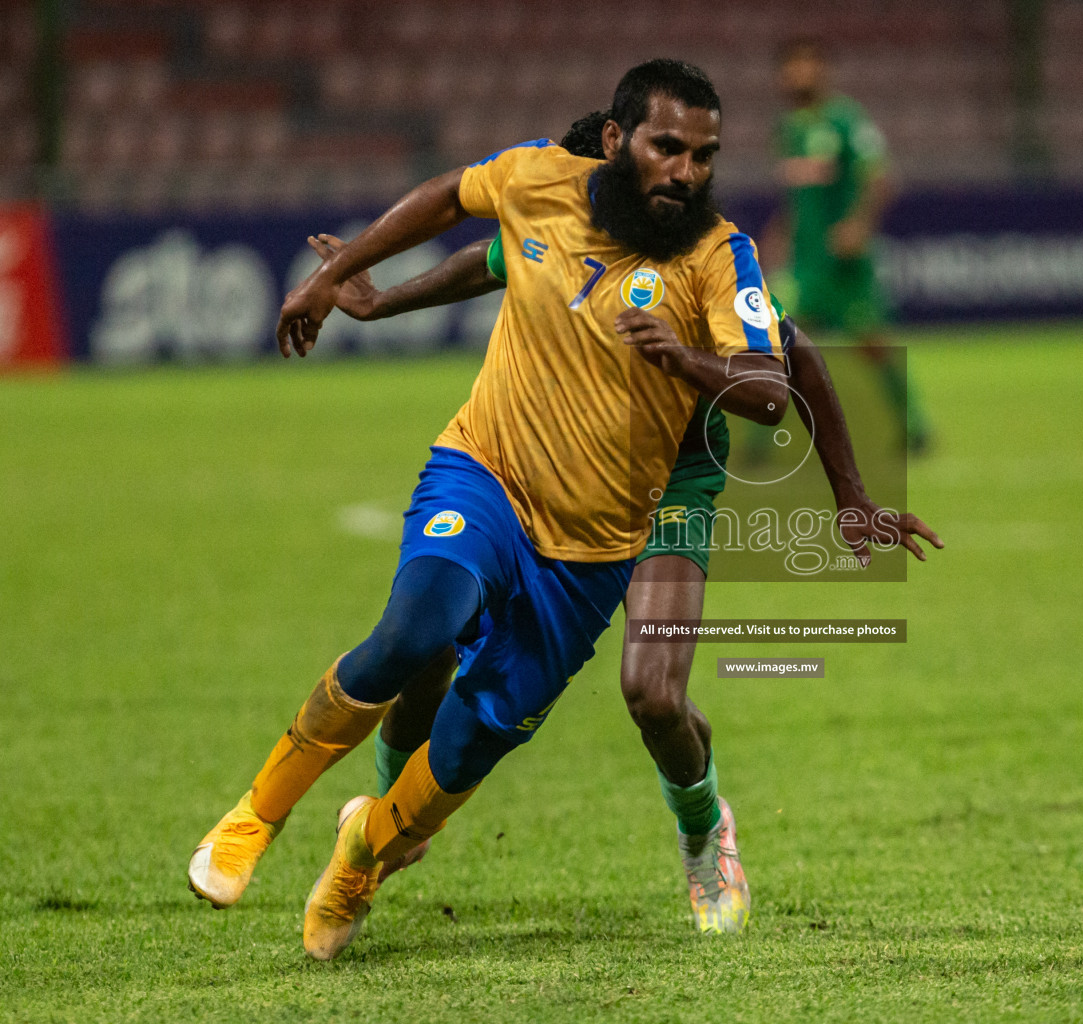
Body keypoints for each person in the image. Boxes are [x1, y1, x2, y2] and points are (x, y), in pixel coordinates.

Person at [189, 59, 792, 961]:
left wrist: (685, 361)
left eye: (705, 156)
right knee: (415, 632)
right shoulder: (544, 181)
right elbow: (450, 209)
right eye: (669, 149)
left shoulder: (718, 256)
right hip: (488, 475)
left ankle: (363, 854)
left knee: (490, 736)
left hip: (604, 539)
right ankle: (255, 813)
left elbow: (777, 386)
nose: (686, 172)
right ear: (620, 142)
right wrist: (344, 283)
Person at [301, 110, 943, 931]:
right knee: (431, 636)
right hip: (556, 468)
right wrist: (380, 300)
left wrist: (851, 499)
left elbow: (796, 353)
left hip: (673, 482)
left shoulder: (696, 255)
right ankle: (393, 802)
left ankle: (705, 830)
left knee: (651, 693)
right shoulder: (566, 226)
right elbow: (485, 260)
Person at [771, 36, 932, 453]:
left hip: (845, 265)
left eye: (808, 63)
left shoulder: (845, 121)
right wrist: (778, 235)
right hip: (807, 263)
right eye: (793, 65)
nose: (800, 72)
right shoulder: (789, 129)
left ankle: (914, 426)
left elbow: (880, 177)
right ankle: (762, 440)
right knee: (783, 345)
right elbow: (799, 199)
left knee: (872, 343)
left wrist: (858, 226)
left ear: (823, 70)